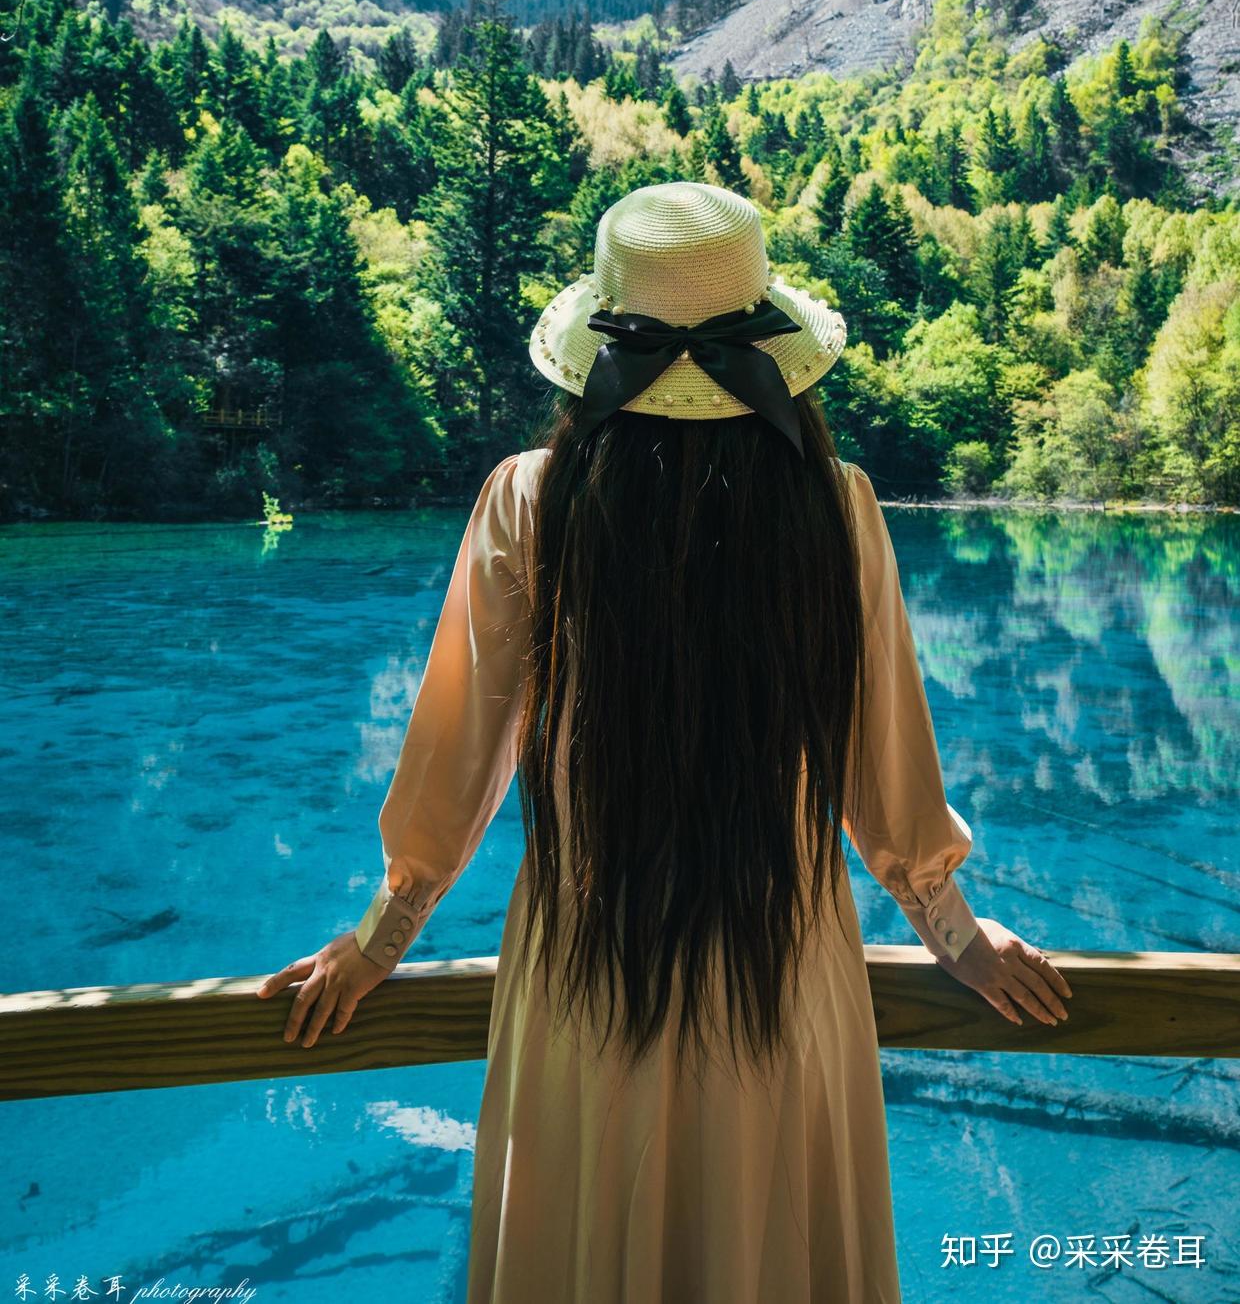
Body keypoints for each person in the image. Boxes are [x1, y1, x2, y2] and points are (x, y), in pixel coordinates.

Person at [257, 179, 1073, 1302]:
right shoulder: (835, 507)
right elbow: (881, 766)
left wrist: (379, 936)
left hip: (584, 977)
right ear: (769, 344)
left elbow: (453, 764)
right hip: (782, 972)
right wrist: (956, 934)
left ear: (601, 340)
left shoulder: (528, 502)